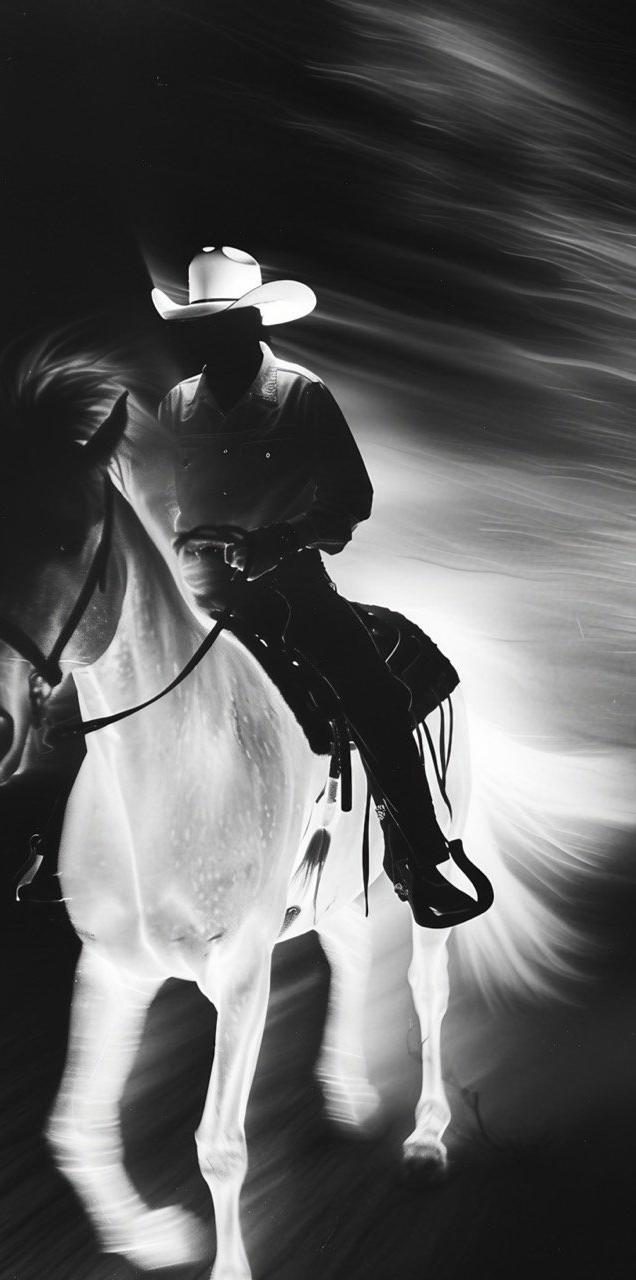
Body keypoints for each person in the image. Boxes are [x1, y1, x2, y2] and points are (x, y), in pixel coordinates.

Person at [149, 245, 491, 928]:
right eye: (202, 323)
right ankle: (63, 846)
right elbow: (158, 494)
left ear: (253, 324)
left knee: (375, 695)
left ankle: (421, 857)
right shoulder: (176, 404)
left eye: (225, 321)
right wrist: (169, 534)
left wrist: (277, 540)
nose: (211, 336)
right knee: (114, 668)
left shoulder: (301, 394)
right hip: (196, 589)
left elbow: (348, 496)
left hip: (289, 589)